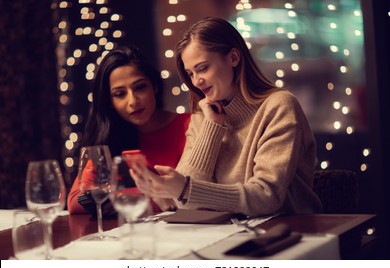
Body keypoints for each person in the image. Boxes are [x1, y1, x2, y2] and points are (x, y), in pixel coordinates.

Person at [131, 17, 322, 217]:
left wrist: (188, 190)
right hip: (229, 233)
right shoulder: (202, 117)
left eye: (203, 68)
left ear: (233, 58)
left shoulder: (279, 106)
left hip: (289, 231)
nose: (197, 81)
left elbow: (267, 197)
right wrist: (212, 128)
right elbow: (185, 203)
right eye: (190, 73)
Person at [67, 45, 190, 214]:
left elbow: (193, 195)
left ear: (154, 85)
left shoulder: (191, 126)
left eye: (140, 87)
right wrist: (144, 196)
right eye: (120, 94)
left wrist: (118, 197)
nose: (133, 101)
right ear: (110, 102)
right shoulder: (111, 137)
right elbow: (75, 201)